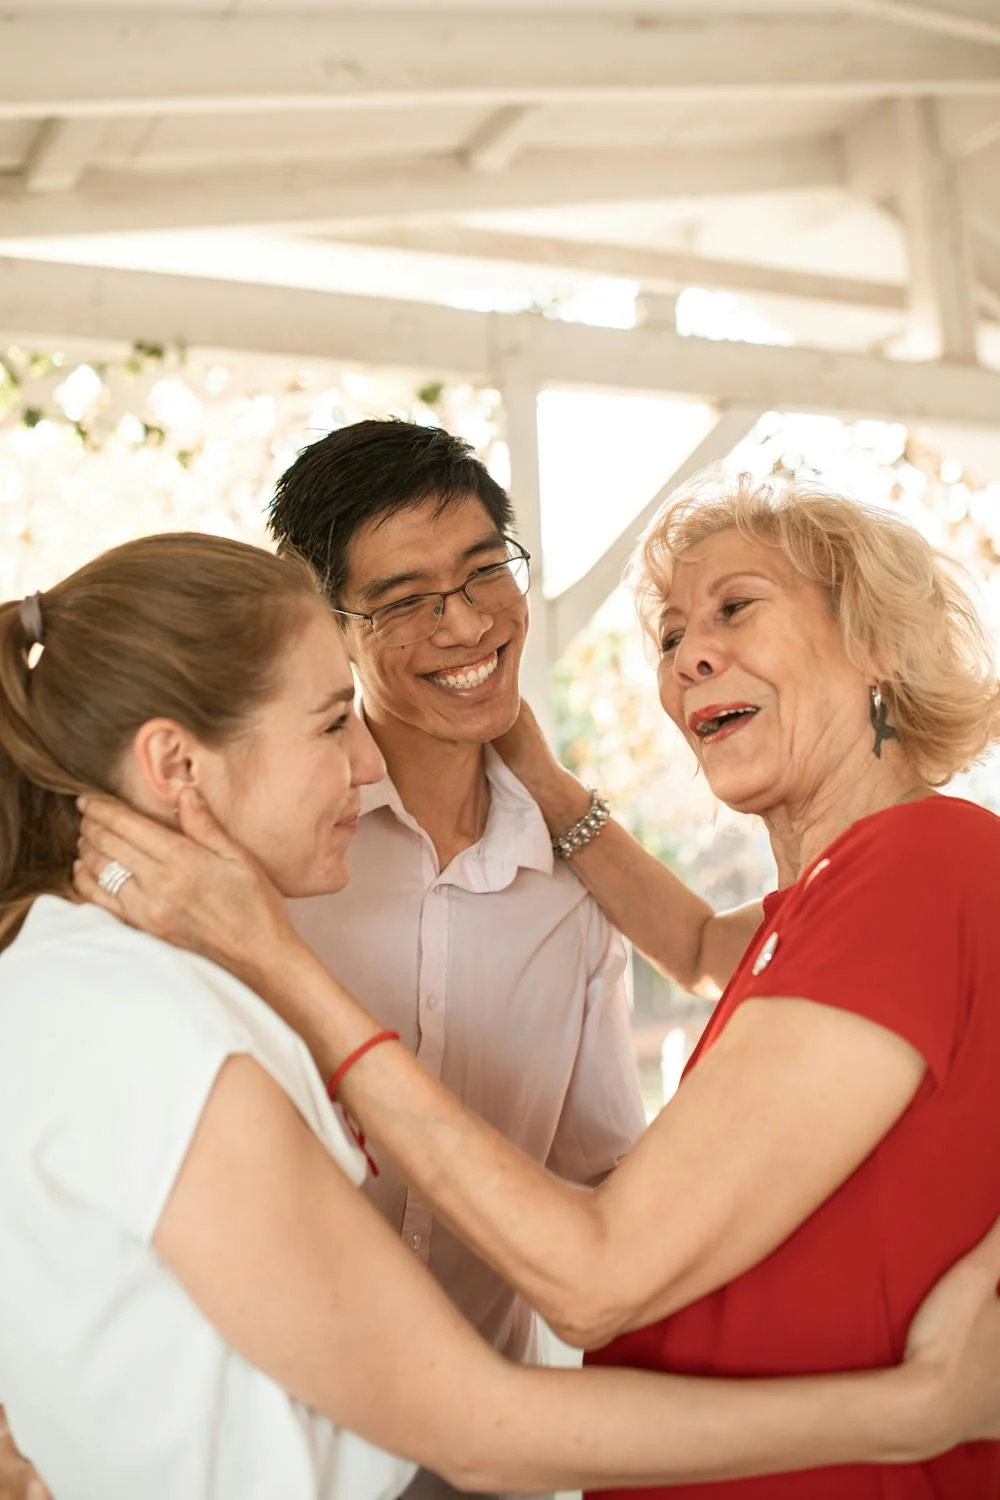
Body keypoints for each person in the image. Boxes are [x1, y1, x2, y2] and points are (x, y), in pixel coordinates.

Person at [6, 532, 1000, 1500]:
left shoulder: (910, 869)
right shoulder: (140, 1012)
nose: (367, 763)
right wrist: (916, 1406)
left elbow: (587, 1274)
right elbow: (698, 951)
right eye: (331, 721)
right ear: (177, 768)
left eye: (736, 606)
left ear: (875, 636)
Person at [267, 418, 646, 1489]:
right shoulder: (266, 867)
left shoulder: (577, 889)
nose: (467, 622)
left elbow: (604, 1174)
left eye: (486, 572)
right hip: (275, 1449)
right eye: (403, 600)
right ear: (324, 624)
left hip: (487, 1465)